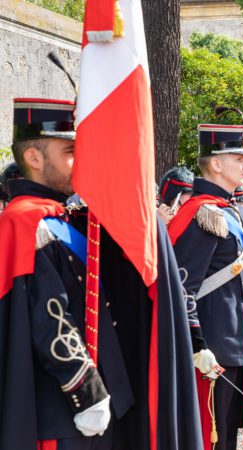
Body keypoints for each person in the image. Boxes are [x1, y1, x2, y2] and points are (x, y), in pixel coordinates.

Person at [1, 98, 202, 449]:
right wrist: (87, 392)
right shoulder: (24, 220)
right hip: (66, 408)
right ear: (34, 158)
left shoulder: (63, 216)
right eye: (69, 151)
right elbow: (50, 318)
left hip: (106, 399)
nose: (80, 161)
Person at [168, 121, 243, 450]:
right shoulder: (203, 214)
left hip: (234, 342)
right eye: (239, 158)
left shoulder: (227, 211)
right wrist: (198, 345)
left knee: (227, 434)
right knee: (212, 436)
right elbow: (183, 287)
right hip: (213, 347)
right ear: (215, 163)